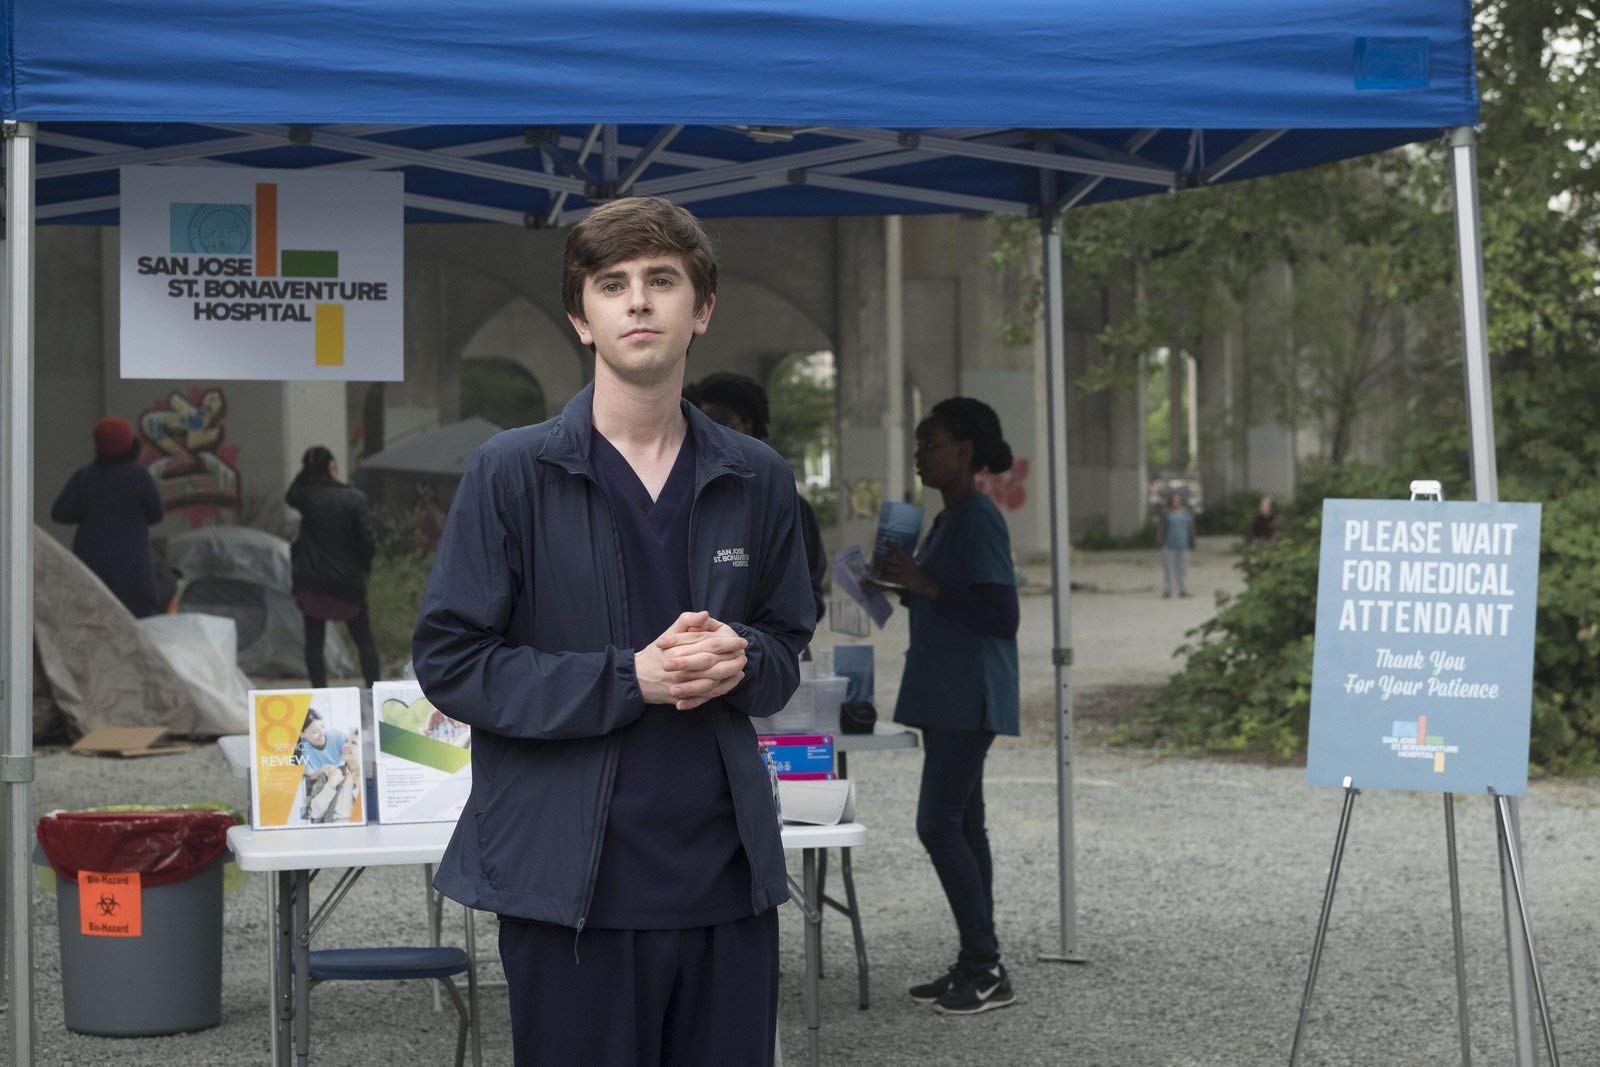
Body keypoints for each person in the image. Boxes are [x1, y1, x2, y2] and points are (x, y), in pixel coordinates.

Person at [412, 196, 815, 1066]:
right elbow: (453, 661)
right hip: (569, 889)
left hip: (725, 883)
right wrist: (632, 678)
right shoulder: (511, 473)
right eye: (612, 283)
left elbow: (787, 650)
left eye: (662, 280)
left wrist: (746, 658)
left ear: (701, 309)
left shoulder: (758, 478)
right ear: (580, 317)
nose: (638, 301)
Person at [873, 397, 1020, 1016]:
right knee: (965, 825)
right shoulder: (946, 518)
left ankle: (985, 967)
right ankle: (976, 961)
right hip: (945, 693)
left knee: (937, 824)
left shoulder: (978, 518)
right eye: (918, 444)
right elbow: (946, 597)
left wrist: (925, 583)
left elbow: (1001, 614)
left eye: (929, 443)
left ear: (963, 452)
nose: (919, 454)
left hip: (969, 694)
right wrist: (900, 585)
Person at [687, 371, 829, 628]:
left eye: (725, 425)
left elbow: (805, 602)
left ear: (749, 427)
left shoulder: (782, 500)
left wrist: (745, 640)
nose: (714, 436)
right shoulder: (694, 498)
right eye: (706, 426)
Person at [50, 416, 165, 618]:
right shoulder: (140, 477)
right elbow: (156, 514)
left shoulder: (85, 477)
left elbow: (59, 513)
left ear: (98, 446)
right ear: (130, 443)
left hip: (91, 572)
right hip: (134, 574)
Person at [286, 446, 381, 688]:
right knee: (364, 642)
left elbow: (290, 495)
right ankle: (374, 691)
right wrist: (364, 568)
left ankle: (320, 694)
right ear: (332, 468)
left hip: (312, 582)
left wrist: (309, 469)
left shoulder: (307, 497)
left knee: (314, 644)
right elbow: (367, 541)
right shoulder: (354, 498)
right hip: (347, 583)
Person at [1158, 490, 1195, 598]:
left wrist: (1192, 540)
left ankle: (1183, 589)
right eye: (1174, 501)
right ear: (1171, 502)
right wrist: (1160, 540)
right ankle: (1167, 590)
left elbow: (1191, 527)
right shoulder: (1166, 513)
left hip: (1183, 544)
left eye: (1178, 500)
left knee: (1182, 569)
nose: (1176, 503)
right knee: (1168, 569)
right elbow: (1161, 528)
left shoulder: (1186, 512)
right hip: (1169, 545)